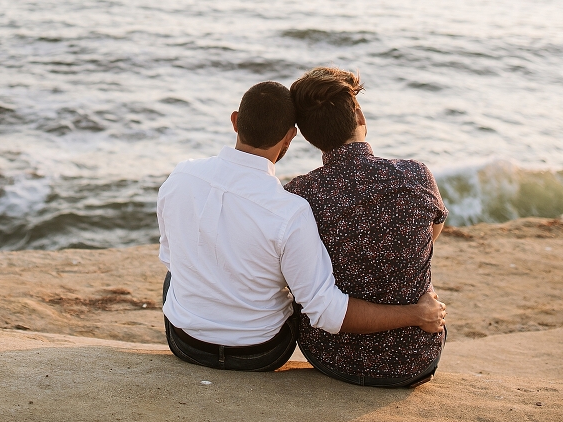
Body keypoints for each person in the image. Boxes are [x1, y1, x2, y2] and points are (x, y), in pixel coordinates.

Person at [157, 81, 446, 372]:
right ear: (290, 137)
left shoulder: (181, 175)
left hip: (184, 342)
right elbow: (325, 311)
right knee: (297, 282)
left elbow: (170, 256)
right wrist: (416, 314)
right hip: (259, 353)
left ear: (234, 121)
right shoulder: (289, 209)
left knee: (177, 273)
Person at [285, 67, 448, 387]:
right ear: (358, 115)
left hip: (330, 356)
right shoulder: (414, 175)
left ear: (308, 136)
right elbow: (430, 234)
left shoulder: (300, 194)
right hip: (415, 358)